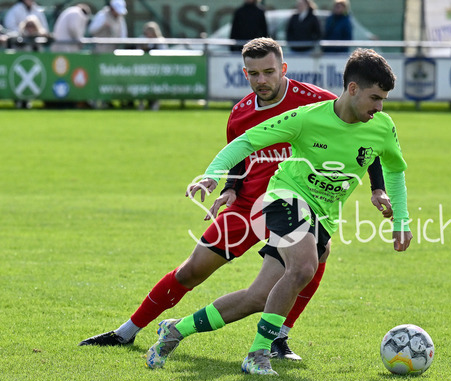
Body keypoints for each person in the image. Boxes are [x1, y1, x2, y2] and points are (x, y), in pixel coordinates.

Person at [79, 38, 392, 362]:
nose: (261, 80)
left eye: (269, 72)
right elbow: (240, 156)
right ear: (245, 74)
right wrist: (229, 186)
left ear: (283, 69)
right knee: (191, 271)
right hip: (248, 205)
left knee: (314, 259)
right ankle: (126, 332)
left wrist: (377, 187)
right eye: (253, 74)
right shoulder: (241, 113)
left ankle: (278, 338)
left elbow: (365, 141)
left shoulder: (318, 102)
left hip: (295, 204)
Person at [144, 48, 412, 376]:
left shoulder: (382, 127)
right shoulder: (307, 118)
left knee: (258, 297)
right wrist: (213, 175)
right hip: (285, 198)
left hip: (323, 215)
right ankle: (258, 353)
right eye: (375, 98)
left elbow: (395, 169)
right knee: (303, 268)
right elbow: (246, 142)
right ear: (353, 89)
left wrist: (401, 219)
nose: (380, 107)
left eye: (384, 100)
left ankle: (177, 329)